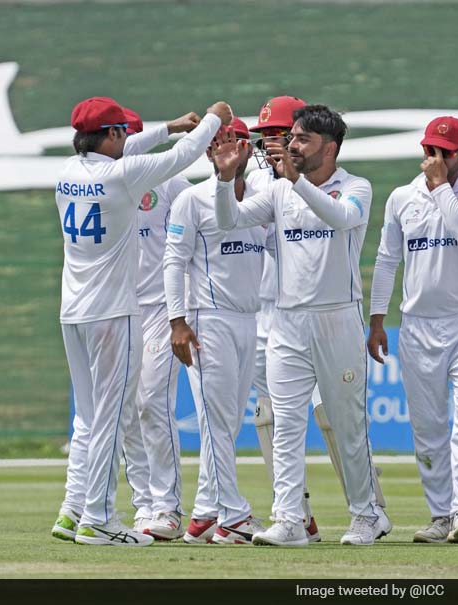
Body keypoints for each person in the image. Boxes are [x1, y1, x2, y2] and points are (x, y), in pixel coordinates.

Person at [52, 96, 231, 546]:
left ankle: (78, 510)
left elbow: (135, 151)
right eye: (123, 134)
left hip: (72, 312)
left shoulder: (68, 174)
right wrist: (214, 119)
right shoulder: (121, 178)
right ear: (112, 136)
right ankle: (99, 519)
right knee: (113, 417)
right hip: (114, 312)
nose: (128, 141)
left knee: (92, 418)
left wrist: (168, 125)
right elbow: (179, 158)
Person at [212, 104, 391, 546]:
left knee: (347, 423)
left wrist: (295, 181)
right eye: (291, 138)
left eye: (302, 139)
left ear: (328, 148)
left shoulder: (356, 187)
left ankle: (368, 515)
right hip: (288, 322)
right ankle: (289, 518)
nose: (291, 145)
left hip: (337, 319)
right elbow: (228, 220)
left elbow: (342, 218)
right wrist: (223, 181)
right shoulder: (278, 192)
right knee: (287, 422)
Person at [368, 116, 458, 544]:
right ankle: (440, 514)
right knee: (428, 427)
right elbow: (387, 260)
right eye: (429, 151)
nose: (435, 159)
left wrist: (441, 187)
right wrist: (377, 319)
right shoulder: (402, 197)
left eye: (445, 152)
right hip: (419, 325)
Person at [164, 118, 272, 545]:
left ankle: (206, 515)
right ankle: (234, 515)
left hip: (251, 318)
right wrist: (177, 321)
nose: (229, 149)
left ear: (248, 149)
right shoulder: (191, 200)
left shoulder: (263, 198)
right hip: (208, 319)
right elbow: (173, 262)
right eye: (219, 144)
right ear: (208, 153)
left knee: (225, 424)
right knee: (215, 419)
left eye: (237, 142)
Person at [121, 107, 195, 540]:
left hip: (162, 312)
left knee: (152, 403)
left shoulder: (170, 184)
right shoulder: (101, 184)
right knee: (127, 411)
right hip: (118, 311)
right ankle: (143, 504)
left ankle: (166, 507)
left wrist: (180, 316)